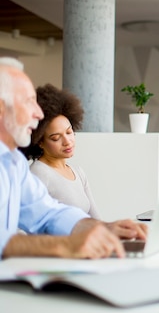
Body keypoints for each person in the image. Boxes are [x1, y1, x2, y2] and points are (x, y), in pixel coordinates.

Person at [0, 57, 147, 259]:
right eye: (28, 102)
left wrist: (105, 228)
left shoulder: (13, 162)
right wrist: (63, 246)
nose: (38, 113)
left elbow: (47, 213)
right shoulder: (35, 170)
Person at [19, 84, 100, 218]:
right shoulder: (38, 174)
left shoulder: (78, 172)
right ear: (40, 142)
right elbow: (28, 225)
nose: (67, 141)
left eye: (69, 132)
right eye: (56, 138)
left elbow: (95, 218)